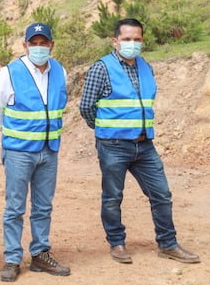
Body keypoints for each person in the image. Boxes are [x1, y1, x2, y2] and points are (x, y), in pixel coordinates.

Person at [79, 18, 200, 265]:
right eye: (126, 39)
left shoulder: (146, 67)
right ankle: (117, 243)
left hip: (144, 145)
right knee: (113, 196)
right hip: (113, 145)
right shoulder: (101, 68)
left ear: (142, 40)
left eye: (136, 39)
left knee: (162, 194)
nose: (132, 43)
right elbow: (86, 107)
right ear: (115, 41)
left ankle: (168, 244)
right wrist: (103, 129)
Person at [0, 23, 71, 282]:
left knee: (43, 206)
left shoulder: (60, 71)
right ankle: (12, 258)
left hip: (49, 149)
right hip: (19, 151)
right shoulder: (9, 72)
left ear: (51, 45)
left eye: (43, 43)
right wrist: (13, 133)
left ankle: (40, 254)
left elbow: (60, 103)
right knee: (14, 207)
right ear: (24, 46)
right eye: (33, 43)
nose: (38, 47)